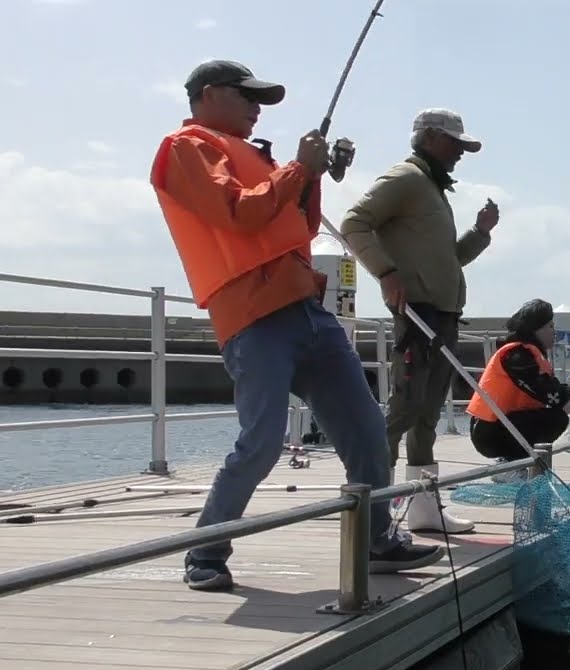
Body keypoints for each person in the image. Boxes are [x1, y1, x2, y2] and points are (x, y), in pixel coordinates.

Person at [149, 60, 446, 591]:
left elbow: (300, 225)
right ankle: (206, 552)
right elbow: (239, 214)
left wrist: (312, 175)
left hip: (307, 310)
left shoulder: (255, 156)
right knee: (260, 442)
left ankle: (377, 539)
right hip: (252, 316)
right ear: (209, 94)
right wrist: (296, 169)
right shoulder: (185, 148)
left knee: (366, 429)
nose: (256, 106)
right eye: (247, 95)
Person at [340, 107, 498, 535]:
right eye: (455, 143)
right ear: (429, 137)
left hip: (443, 316)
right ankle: (372, 512)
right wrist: (386, 274)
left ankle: (425, 508)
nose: (461, 153)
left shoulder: (432, 188)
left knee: (428, 413)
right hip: (418, 315)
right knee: (404, 410)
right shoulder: (406, 179)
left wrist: (481, 232)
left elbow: (451, 260)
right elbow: (354, 223)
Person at [467, 299, 570, 475]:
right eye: (551, 327)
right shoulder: (516, 356)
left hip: (507, 424)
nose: (555, 332)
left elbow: (563, 391)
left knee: (556, 416)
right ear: (536, 329)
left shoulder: (532, 354)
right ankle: (511, 466)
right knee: (556, 418)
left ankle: (519, 462)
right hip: (489, 432)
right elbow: (553, 394)